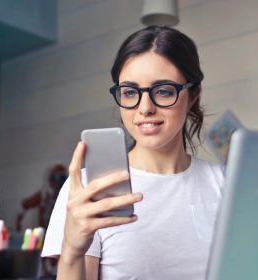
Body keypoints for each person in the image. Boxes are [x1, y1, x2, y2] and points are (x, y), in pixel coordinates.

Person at [41, 25, 224, 280]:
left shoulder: (226, 184)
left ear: (193, 94)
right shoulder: (89, 189)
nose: (145, 108)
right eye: (130, 92)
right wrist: (71, 250)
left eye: (163, 90)